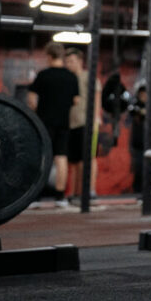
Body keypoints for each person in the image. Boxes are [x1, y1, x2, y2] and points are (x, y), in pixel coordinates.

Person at [28, 42, 81, 208]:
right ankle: (60, 197)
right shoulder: (71, 76)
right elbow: (76, 100)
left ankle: (36, 197)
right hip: (63, 122)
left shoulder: (43, 75)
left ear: (49, 56)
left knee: (43, 156)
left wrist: (40, 109)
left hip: (44, 122)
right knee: (61, 157)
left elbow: (31, 99)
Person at [65, 47, 101, 201]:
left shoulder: (89, 77)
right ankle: (77, 193)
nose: (68, 64)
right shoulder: (68, 79)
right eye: (67, 61)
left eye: (71, 61)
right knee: (75, 161)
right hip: (71, 124)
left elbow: (97, 98)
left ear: (80, 62)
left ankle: (90, 190)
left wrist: (95, 118)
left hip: (87, 123)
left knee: (89, 158)